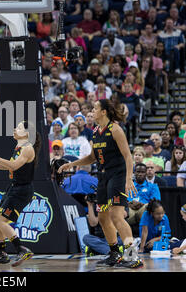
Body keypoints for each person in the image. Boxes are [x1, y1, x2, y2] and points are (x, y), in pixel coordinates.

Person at [58, 99, 143, 268]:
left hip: (117, 176)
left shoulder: (116, 130)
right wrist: (71, 164)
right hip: (103, 177)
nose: (92, 111)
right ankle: (114, 254)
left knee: (117, 216)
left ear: (104, 112)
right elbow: (92, 158)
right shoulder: (96, 131)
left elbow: (128, 156)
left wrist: (128, 179)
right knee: (103, 217)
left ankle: (133, 256)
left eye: (95, 108)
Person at [0, 121, 41, 266]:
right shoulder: (18, 147)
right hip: (13, 188)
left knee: (1, 221)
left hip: (22, 190)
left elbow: (13, 165)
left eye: (19, 128)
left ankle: (21, 249)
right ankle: (1, 254)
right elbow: (8, 165)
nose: (15, 129)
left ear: (26, 133)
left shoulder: (27, 148)